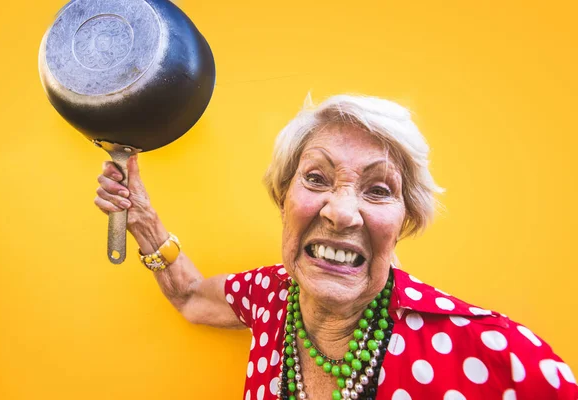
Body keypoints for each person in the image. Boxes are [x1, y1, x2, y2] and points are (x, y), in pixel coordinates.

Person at [94, 94, 577, 400]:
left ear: (404, 220)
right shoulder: (272, 295)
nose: (342, 212)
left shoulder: (497, 357)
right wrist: (142, 220)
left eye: (378, 189)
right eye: (317, 178)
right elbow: (192, 296)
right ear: (284, 198)